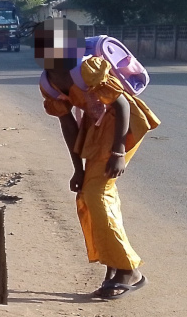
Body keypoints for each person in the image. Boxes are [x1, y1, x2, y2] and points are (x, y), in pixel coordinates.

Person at [35, 19, 160, 299]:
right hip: (96, 129)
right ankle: (113, 264)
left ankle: (129, 270)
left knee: (97, 194)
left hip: (121, 127)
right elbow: (68, 125)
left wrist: (118, 152)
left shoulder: (86, 69)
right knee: (89, 196)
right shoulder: (49, 83)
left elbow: (123, 104)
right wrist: (76, 169)